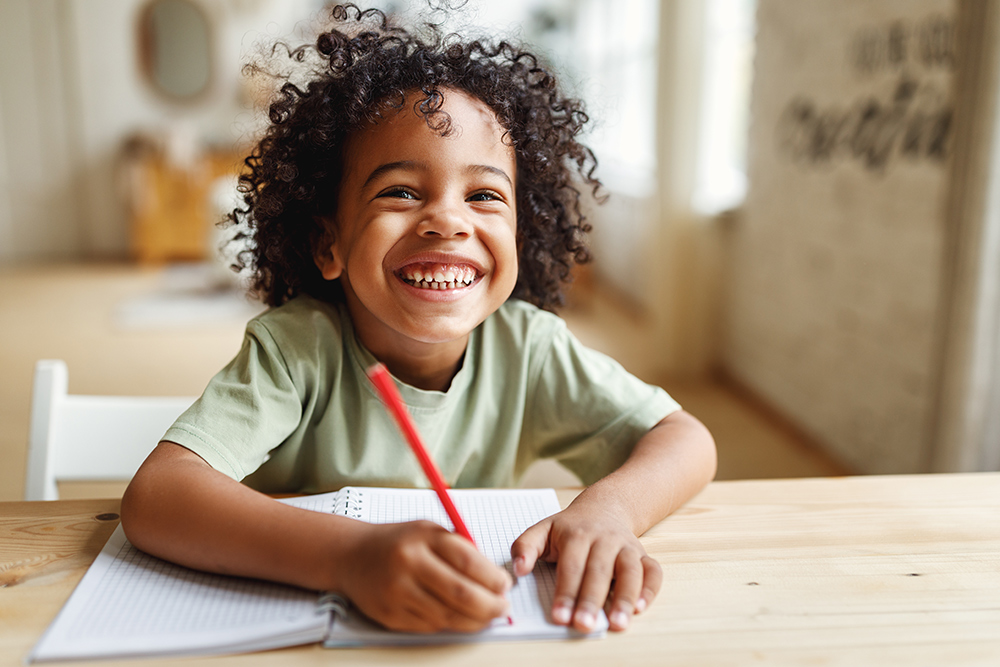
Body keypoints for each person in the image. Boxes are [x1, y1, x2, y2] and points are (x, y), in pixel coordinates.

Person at [120, 3, 716, 637]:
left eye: (484, 195)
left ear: (522, 229)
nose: (448, 221)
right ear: (330, 244)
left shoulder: (529, 349)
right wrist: (348, 557)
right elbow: (157, 497)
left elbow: (686, 440)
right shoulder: (296, 352)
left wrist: (610, 510)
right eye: (401, 191)